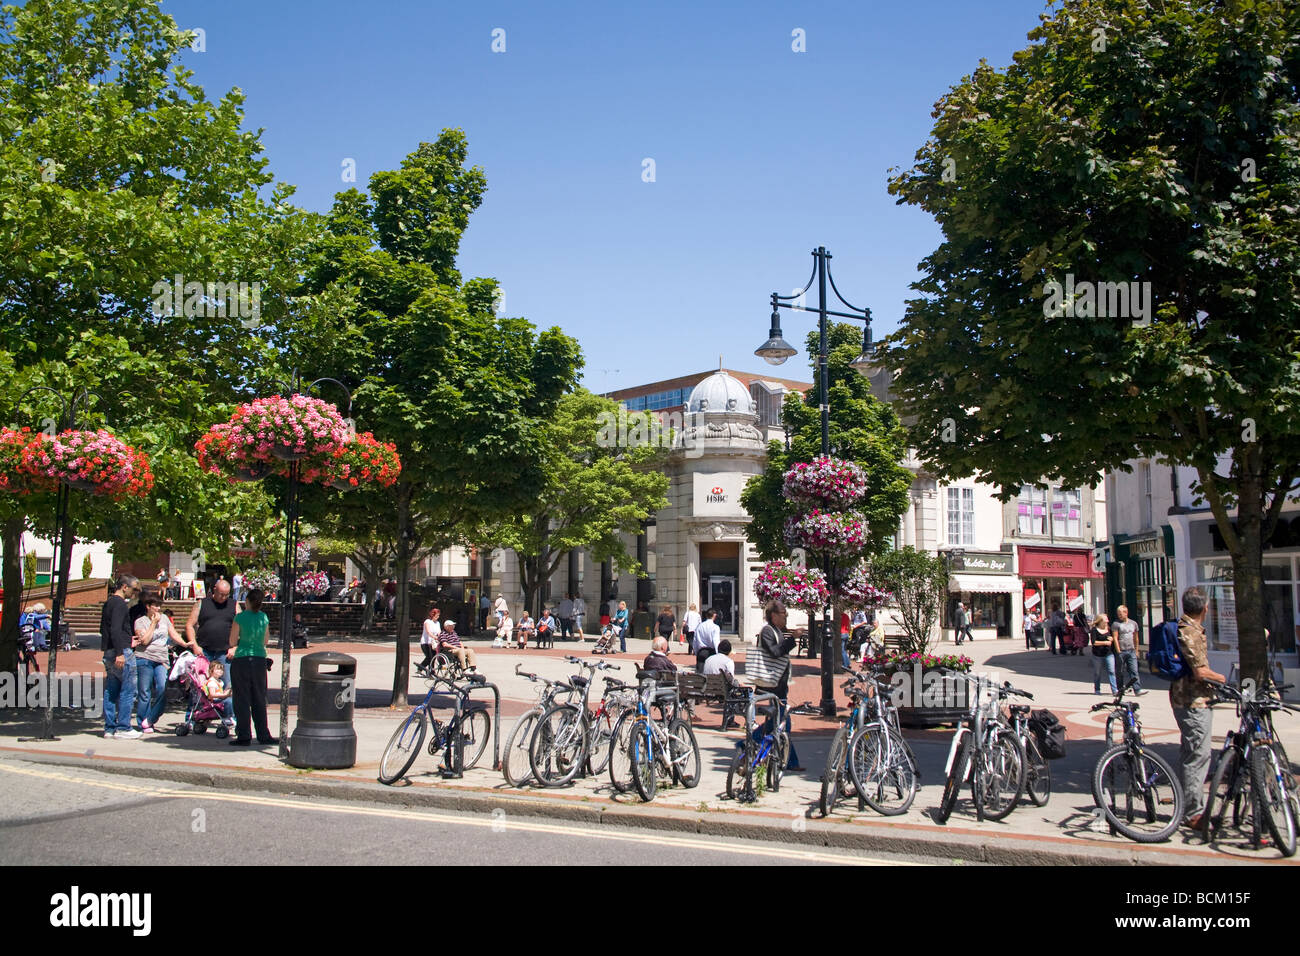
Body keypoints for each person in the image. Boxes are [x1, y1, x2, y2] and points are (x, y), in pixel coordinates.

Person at [1171, 587, 1226, 829]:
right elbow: (1200, 672)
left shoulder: (1187, 628)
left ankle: (1187, 806)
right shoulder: (1189, 631)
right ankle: (1193, 813)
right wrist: (1223, 679)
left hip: (1190, 698)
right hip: (1192, 700)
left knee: (1191, 752)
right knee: (1198, 754)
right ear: (1205, 608)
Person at [133, 593, 195, 733]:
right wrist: (153, 623)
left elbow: (173, 634)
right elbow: (144, 641)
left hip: (161, 659)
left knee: (162, 689)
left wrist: (184, 644)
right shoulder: (140, 621)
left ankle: (150, 719)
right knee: (145, 692)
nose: (158, 609)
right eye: (155, 606)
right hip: (144, 658)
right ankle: (142, 722)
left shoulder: (165, 619)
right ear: (148, 607)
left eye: (159, 606)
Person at [754, 600, 801, 771]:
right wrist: (792, 640)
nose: (786, 617)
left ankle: (790, 760)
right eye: (784, 614)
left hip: (778, 685)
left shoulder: (776, 631)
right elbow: (774, 652)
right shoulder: (767, 631)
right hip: (771, 685)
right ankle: (749, 742)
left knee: (778, 723)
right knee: (782, 723)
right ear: (773, 616)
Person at [227, 588, 274, 746]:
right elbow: (266, 640)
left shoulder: (239, 617)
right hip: (259, 658)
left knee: (241, 698)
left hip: (242, 658)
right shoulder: (263, 617)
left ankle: (244, 734)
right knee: (259, 698)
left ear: (247, 601)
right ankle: (263, 733)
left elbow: (232, 642)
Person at [185, 578, 236, 723]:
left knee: (227, 684)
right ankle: (193, 716)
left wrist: (235, 647)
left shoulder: (234, 605)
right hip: (204, 650)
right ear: (214, 590)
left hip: (224, 652)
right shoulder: (202, 603)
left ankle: (228, 715)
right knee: (199, 686)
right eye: (221, 594)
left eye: (226, 595)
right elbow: (190, 625)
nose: (223, 598)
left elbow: (242, 627)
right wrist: (194, 644)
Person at [100, 575, 141, 739]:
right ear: (125, 587)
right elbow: (116, 630)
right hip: (121, 652)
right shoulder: (120, 604)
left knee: (111, 689)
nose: (135, 593)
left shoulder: (109, 602)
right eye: (134, 589)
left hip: (110, 650)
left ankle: (110, 728)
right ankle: (124, 727)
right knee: (127, 690)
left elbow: (104, 629)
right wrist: (120, 653)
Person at [1111, 605, 1144, 694]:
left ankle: (1137, 689)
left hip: (1131, 650)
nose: (1119, 616)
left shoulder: (1133, 623)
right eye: (1118, 614)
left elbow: (1136, 637)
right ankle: (1120, 689)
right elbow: (1115, 637)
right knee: (1120, 671)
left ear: (1126, 613)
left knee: (1134, 670)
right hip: (1121, 650)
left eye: (1121, 614)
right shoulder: (1116, 624)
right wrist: (1118, 651)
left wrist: (1136, 650)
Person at [1089, 612, 1118, 695]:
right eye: (1105, 619)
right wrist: (1104, 642)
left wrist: (1112, 639)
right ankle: (1097, 689)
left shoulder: (1108, 628)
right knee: (1097, 673)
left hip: (1108, 654)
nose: (1107, 620)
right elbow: (1093, 642)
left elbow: (1113, 638)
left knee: (1112, 671)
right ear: (1101, 620)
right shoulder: (1094, 630)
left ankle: (1114, 690)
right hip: (1097, 655)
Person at [419, 606, 442, 675]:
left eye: (438, 615)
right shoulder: (427, 622)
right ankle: (420, 668)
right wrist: (435, 637)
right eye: (437, 615)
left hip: (433, 643)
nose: (438, 617)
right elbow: (428, 632)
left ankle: (431, 671)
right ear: (432, 615)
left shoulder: (437, 623)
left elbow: (439, 632)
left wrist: (441, 637)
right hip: (426, 642)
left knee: (433, 657)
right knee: (429, 657)